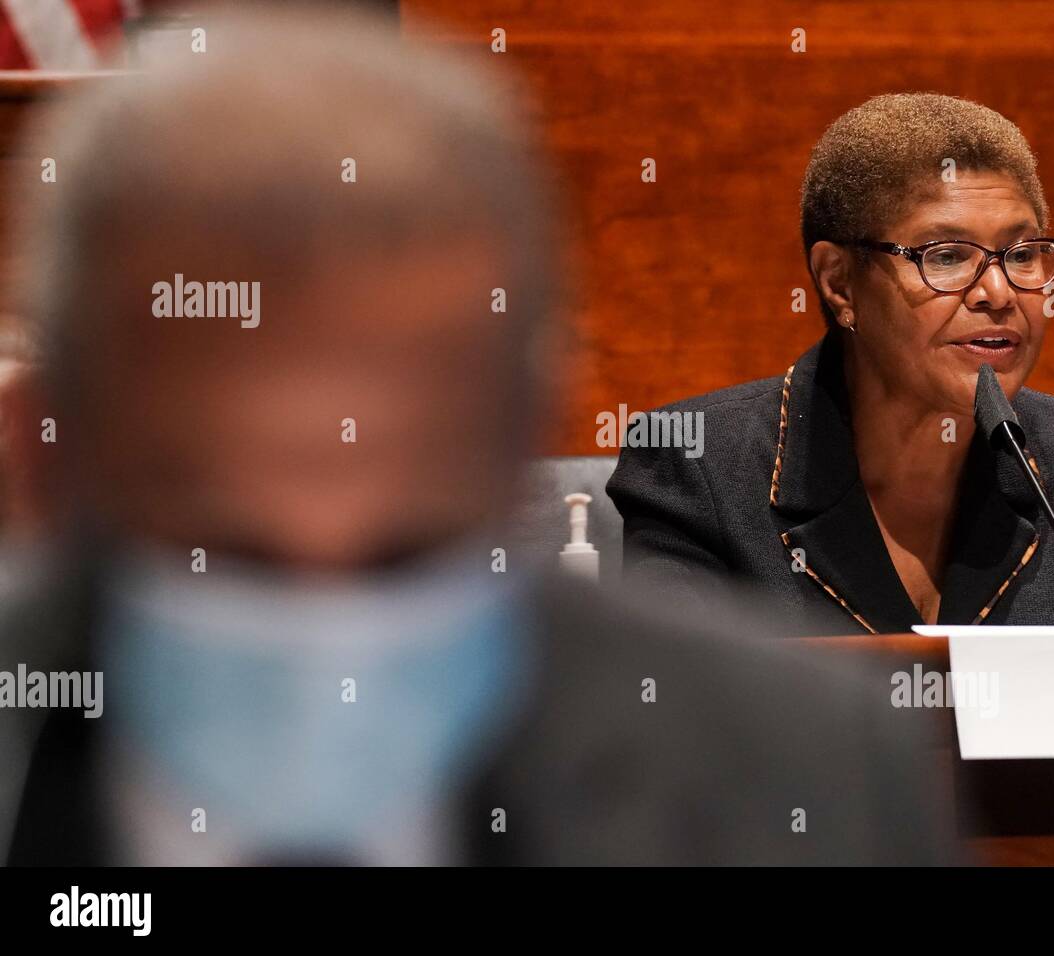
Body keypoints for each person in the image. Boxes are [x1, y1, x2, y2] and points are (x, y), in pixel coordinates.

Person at [0, 5, 952, 866]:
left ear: (525, 439)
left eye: (408, 549)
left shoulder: (806, 777)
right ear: (40, 450)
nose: (326, 637)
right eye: (225, 552)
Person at [607, 93, 1054, 636]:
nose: (998, 292)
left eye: (1022, 254)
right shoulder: (699, 471)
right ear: (839, 284)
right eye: (946, 257)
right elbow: (675, 734)